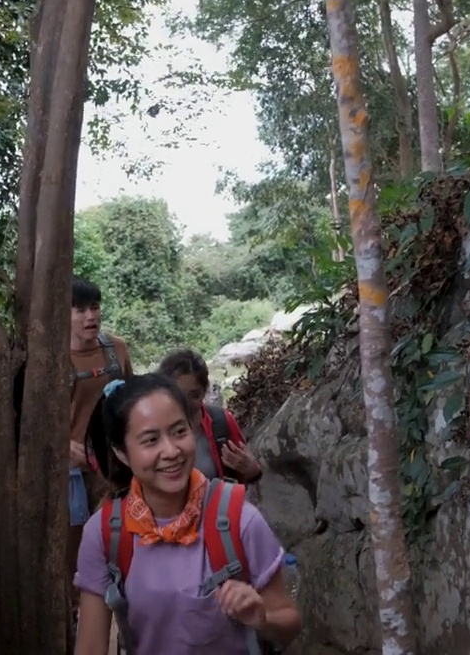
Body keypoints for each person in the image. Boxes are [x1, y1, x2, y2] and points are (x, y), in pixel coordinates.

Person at [75, 374, 301, 655]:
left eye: (179, 431)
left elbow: (289, 623)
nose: (171, 451)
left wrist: (262, 616)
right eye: (151, 440)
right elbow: (90, 646)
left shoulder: (238, 518)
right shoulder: (106, 532)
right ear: (121, 452)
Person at [67, 277, 133, 646]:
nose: (90, 316)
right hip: (71, 477)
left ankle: (129, 633)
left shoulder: (116, 350)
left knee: (123, 550)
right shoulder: (48, 357)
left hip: (114, 471)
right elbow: (28, 418)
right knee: (74, 561)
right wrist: (62, 446)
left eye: (94, 307)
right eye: (80, 310)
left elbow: (132, 403)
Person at [157, 349, 262, 484]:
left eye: (194, 395)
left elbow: (248, 476)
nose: (186, 403)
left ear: (204, 391)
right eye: (178, 395)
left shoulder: (221, 422)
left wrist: (250, 468)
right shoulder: (151, 430)